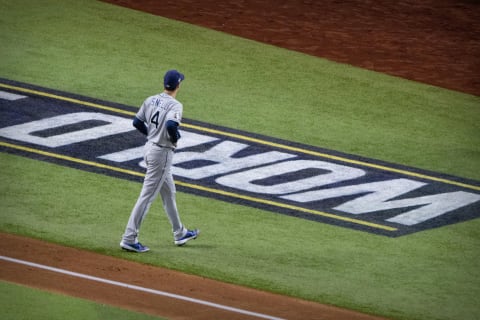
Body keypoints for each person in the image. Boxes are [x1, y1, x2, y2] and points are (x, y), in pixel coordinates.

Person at [120, 69, 199, 252]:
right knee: (147, 197)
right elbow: (171, 125)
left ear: (165, 84)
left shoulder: (150, 99)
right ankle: (129, 238)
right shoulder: (175, 105)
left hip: (149, 149)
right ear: (178, 85)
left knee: (169, 192)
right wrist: (175, 137)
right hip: (162, 154)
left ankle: (180, 232)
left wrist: (153, 135)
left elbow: (137, 122)